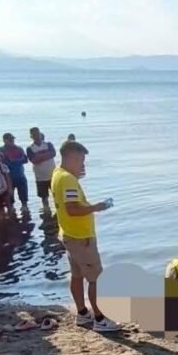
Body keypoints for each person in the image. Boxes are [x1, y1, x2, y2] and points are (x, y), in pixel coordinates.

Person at [51, 139, 120, 332]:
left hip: (69, 234)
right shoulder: (68, 180)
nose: (83, 164)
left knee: (77, 275)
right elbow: (72, 209)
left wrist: (76, 177)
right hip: (81, 237)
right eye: (81, 160)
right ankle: (100, 318)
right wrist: (97, 207)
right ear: (71, 157)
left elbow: (68, 203)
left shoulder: (58, 174)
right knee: (96, 279)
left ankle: (82, 314)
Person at [27, 126, 57, 209]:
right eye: (34, 135)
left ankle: (58, 210)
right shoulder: (30, 148)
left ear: (40, 134)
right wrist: (45, 155)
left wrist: (39, 156)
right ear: (31, 137)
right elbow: (34, 160)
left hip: (52, 175)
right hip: (40, 177)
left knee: (56, 194)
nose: (36, 136)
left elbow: (53, 154)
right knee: (44, 197)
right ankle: (46, 210)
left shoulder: (48, 144)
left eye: (37, 134)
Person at [0, 132, 30, 206]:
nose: (12, 141)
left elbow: (25, 160)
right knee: (9, 199)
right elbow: (2, 163)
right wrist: (15, 160)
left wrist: (14, 160)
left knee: (24, 198)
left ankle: (25, 211)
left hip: (20, 176)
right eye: (9, 139)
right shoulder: (1, 150)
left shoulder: (19, 148)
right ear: (4, 140)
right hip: (8, 178)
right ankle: (12, 213)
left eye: (12, 139)